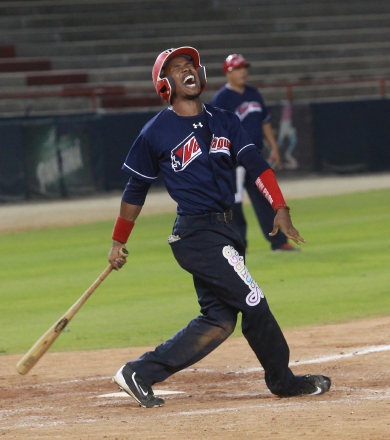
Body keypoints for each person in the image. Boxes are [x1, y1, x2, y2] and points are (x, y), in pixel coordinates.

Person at [108, 47, 330, 408]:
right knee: (254, 303)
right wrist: (118, 242)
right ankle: (284, 382)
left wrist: (279, 206)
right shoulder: (155, 132)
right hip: (196, 235)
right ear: (165, 84)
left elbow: (256, 164)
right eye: (177, 68)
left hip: (226, 232)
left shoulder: (226, 120)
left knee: (219, 320)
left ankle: (140, 372)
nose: (187, 70)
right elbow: (136, 189)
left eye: (190, 65)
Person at [210, 54, 297, 252]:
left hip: (254, 157)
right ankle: (238, 244)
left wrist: (274, 148)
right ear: (228, 72)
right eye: (238, 68)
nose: (243, 72)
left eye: (244, 68)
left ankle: (278, 241)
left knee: (265, 200)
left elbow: (264, 122)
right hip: (232, 160)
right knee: (234, 203)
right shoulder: (221, 99)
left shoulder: (254, 93)